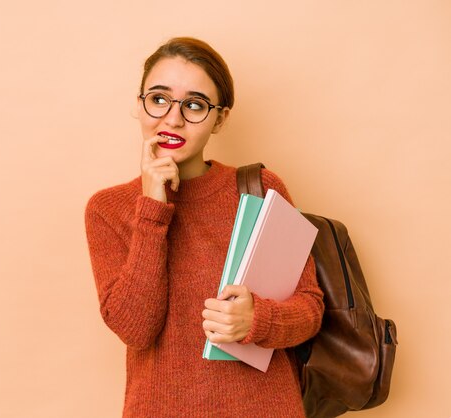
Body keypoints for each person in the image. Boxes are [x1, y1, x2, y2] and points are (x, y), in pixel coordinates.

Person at [84, 37, 324, 418]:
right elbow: (136, 329)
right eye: (159, 99)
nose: (173, 119)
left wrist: (257, 319)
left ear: (220, 118)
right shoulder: (108, 209)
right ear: (139, 104)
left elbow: (310, 309)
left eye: (194, 105)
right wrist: (152, 206)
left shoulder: (262, 189)